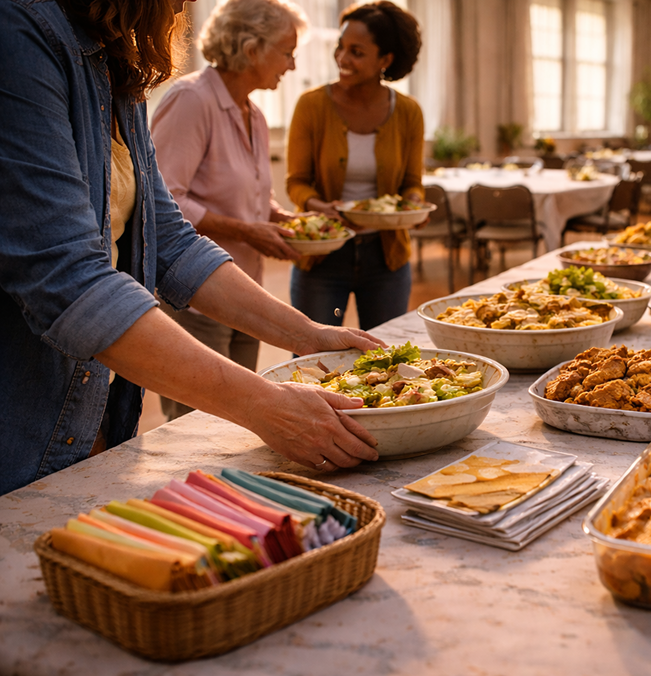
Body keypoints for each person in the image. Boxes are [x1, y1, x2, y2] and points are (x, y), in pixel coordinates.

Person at [0, 0, 386, 497]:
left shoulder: (115, 58)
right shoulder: (21, 30)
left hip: (89, 406)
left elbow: (170, 240)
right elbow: (68, 278)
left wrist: (308, 334)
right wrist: (264, 405)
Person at [152, 0, 305, 421]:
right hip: (197, 301)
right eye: (287, 52)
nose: (292, 65)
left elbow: (252, 196)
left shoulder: (253, 112)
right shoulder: (190, 99)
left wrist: (283, 220)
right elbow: (163, 199)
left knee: (230, 426)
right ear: (252, 49)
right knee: (194, 427)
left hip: (245, 294)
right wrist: (247, 230)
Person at [285, 0, 424, 330]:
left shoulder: (408, 112)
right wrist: (322, 206)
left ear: (385, 60)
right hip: (323, 252)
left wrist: (413, 203)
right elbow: (297, 183)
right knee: (311, 359)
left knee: (386, 355)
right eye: (340, 47)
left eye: (357, 52)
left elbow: (412, 182)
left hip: (386, 257)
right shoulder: (312, 105)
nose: (342, 59)